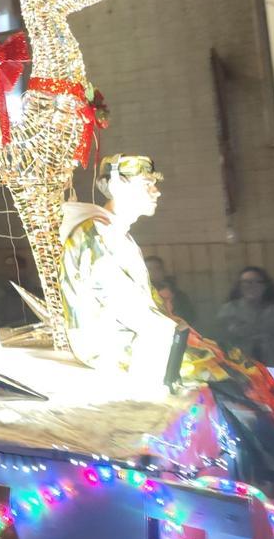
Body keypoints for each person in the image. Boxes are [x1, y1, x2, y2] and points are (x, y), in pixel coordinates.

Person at [59, 155, 178, 381]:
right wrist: (167, 326)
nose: (156, 191)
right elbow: (119, 300)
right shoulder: (94, 233)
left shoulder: (114, 232)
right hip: (112, 348)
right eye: (147, 184)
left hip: (129, 337)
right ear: (116, 185)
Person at [212, 267, 274, 383]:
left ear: (265, 286)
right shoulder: (227, 312)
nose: (252, 286)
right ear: (239, 286)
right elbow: (217, 344)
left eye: (257, 282)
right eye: (246, 282)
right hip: (242, 374)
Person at [144, 255, 196, 325]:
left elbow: (190, 318)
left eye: (157, 268)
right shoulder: (139, 295)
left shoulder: (179, 296)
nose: (153, 272)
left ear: (164, 271)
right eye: (149, 269)